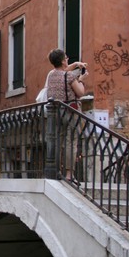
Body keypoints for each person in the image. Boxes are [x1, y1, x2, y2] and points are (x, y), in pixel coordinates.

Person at [45, 49, 88, 179]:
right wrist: (81, 79)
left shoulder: (51, 75)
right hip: (70, 111)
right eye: (66, 58)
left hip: (56, 112)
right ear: (63, 61)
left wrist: (75, 64)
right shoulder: (69, 76)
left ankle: (56, 171)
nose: (67, 60)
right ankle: (69, 174)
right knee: (71, 141)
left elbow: (63, 70)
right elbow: (80, 93)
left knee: (58, 141)